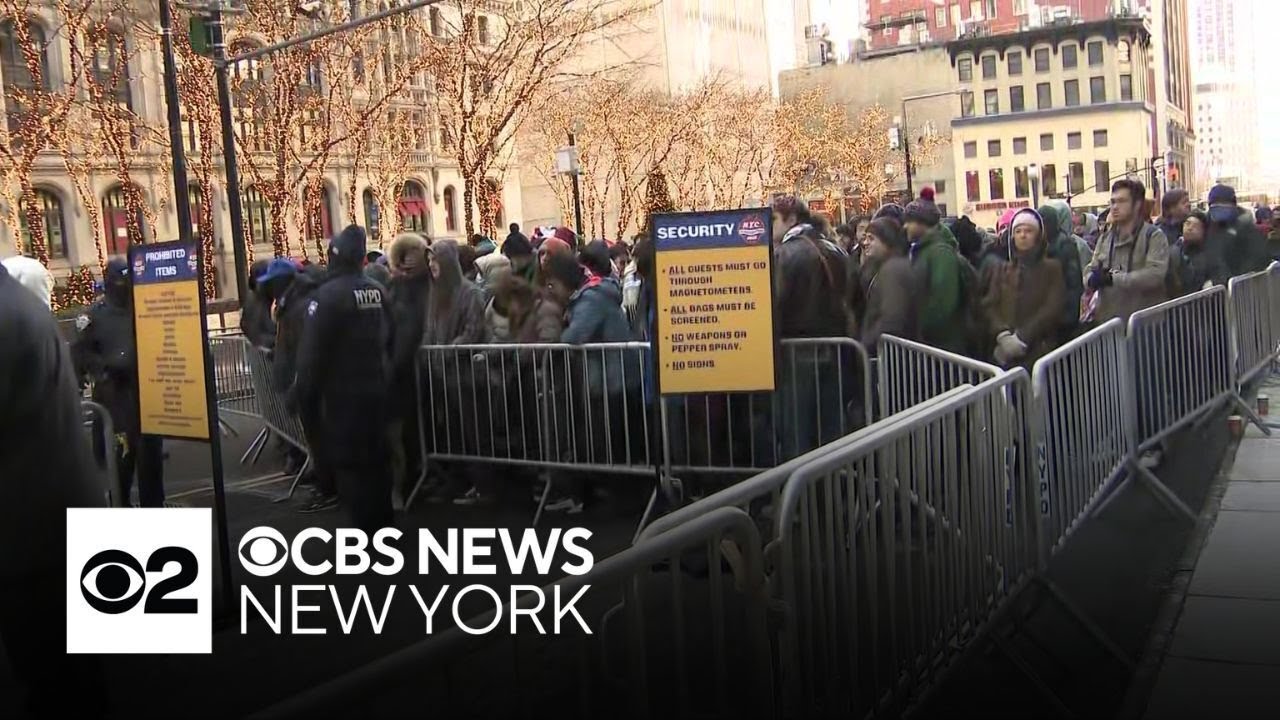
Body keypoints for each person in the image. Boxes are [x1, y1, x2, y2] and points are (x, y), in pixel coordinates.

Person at [0, 261, 108, 719]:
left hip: (35, 529)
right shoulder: (17, 305)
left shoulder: (8, 314)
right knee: (70, 678)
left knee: (60, 681)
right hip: (51, 516)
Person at [293, 225, 394, 532]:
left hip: (341, 400)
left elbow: (311, 356)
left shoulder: (326, 298)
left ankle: (364, 537)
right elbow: (391, 341)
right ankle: (383, 531)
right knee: (378, 468)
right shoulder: (377, 291)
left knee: (352, 472)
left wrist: (302, 397)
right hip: (377, 394)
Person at [71, 257, 165, 507]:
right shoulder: (93, 316)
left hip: (146, 394)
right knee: (120, 461)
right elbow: (80, 352)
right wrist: (101, 371)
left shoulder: (143, 309)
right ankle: (120, 506)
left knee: (150, 460)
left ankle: (153, 508)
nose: (125, 288)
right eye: (120, 282)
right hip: (114, 397)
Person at [982, 208, 1065, 369]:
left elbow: (1052, 307)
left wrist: (1022, 336)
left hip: (1040, 350)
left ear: (1038, 236)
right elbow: (989, 304)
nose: (1023, 235)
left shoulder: (1052, 268)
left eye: (1029, 230)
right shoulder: (1003, 268)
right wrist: (1002, 335)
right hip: (1006, 351)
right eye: (1018, 231)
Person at [386, 232, 431, 505]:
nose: (408, 263)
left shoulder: (426, 287)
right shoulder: (394, 288)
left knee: (414, 430)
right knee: (403, 432)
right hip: (401, 370)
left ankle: (414, 480)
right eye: (403, 258)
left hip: (414, 368)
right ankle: (406, 483)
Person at [1085, 179, 1169, 324]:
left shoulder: (1154, 236)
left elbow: (1155, 275)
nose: (1115, 207)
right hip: (1109, 324)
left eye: (1122, 201)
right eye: (1112, 202)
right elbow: (1089, 269)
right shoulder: (1105, 237)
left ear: (1137, 205)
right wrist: (1091, 279)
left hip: (1143, 325)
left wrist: (1114, 278)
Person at [902, 188, 968, 355]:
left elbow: (943, 303)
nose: (905, 226)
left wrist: (921, 330)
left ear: (921, 222)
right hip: (932, 348)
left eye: (909, 221)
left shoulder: (940, 253)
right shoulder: (924, 252)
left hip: (942, 349)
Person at [857, 217, 916, 352]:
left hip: (894, 355)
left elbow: (892, 319)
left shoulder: (893, 270)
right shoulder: (883, 267)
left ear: (886, 241)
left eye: (871, 239)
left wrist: (866, 343)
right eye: (865, 238)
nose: (865, 243)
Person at [1039, 200, 1085, 343]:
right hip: (1049, 319)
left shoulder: (1065, 246)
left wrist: (1067, 318)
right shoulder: (1043, 245)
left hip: (1063, 321)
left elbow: (1073, 283)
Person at [1206, 184, 1269, 276]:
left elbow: (1259, 258)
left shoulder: (1246, 227)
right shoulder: (1207, 225)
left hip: (1240, 285)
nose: (1219, 207)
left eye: (1223, 203)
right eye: (1215, 204)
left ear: (1233, 204)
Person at [1167, 211, 1229, 295]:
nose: (1190, 228)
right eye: (1187, 224)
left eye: (1195, 226)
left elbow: (1221, 274)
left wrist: (1213, 283)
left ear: (1204, 231)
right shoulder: (1173, 252)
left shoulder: (1211, 254)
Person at [240, 258, 276, 348]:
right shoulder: (260, 299)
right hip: (267, 352)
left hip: (261, 351)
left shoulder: (254, 297)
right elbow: (257, 331)